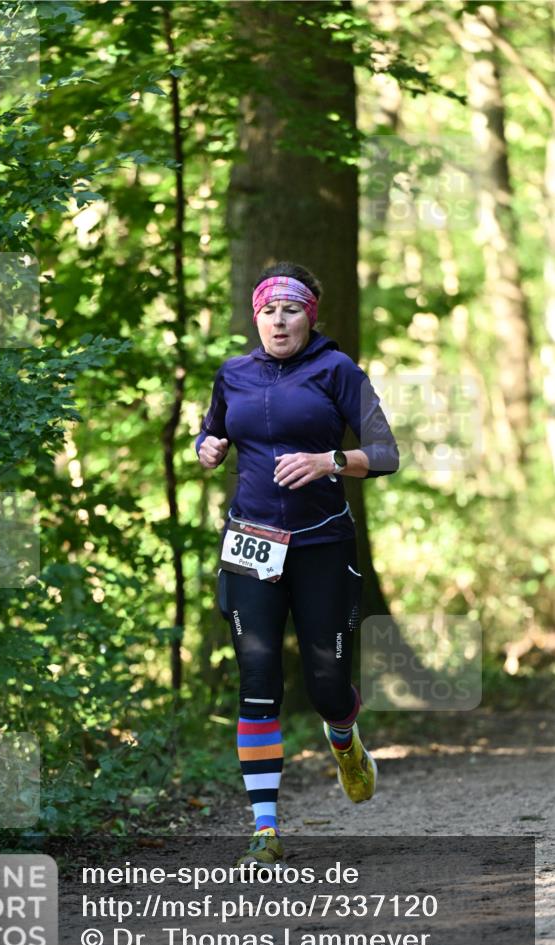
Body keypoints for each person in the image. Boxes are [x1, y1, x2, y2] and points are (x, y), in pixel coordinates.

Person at [195, 262, 400, 867]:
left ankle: (344, 735)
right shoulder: (231, 375)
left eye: (290, 310)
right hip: (251, 543)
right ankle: (264, 828)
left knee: (327, 686)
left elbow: (386, 453)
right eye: (267, 311)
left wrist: (329, 461)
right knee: (258, 682)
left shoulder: (337, 370)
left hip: (320, 545)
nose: (278, 321)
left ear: (310, 314)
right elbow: (213, 436)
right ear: (254, 316)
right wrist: (206, 447)